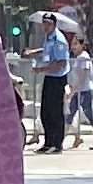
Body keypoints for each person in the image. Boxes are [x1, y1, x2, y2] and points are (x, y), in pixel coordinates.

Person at [31, 11, 75, 153]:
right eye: (44, 23)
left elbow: (61, 63)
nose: (45, 26)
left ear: (54, 25)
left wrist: (41, 69)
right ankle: (48, 142)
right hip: (49, 77)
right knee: (46, 112)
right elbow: (47, 51)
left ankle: (56, 144)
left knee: (55, 112)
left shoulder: (59, 40)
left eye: (49, 24)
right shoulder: (48, 38)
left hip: (58, 79)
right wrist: (35, 52)